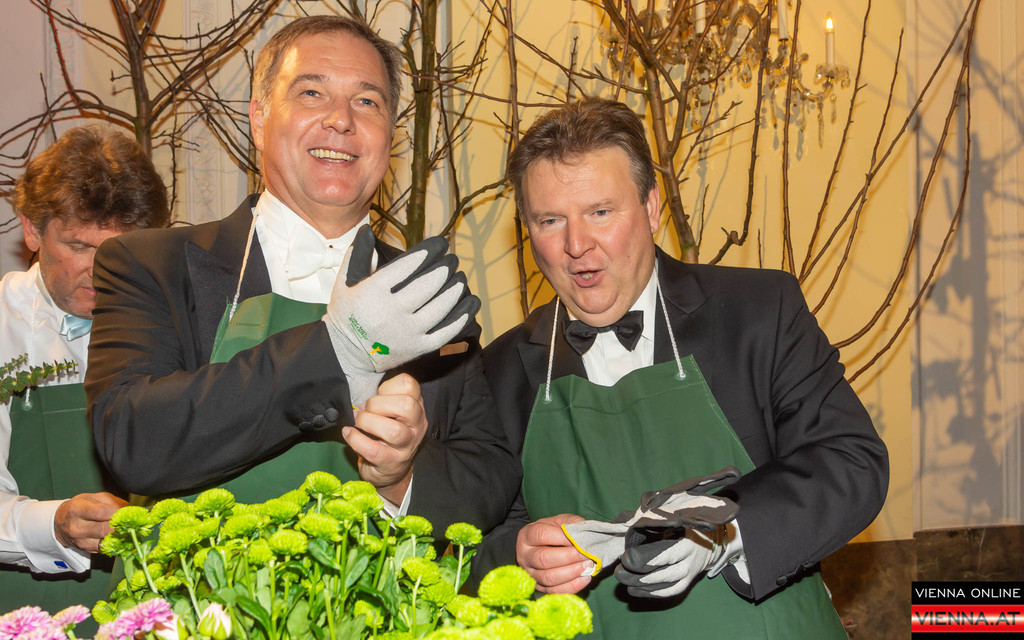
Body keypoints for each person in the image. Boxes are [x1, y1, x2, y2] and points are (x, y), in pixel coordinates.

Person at [84, 16, 519, 541]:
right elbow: (133, 442)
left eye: (367, 101)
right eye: (312, 92)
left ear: (390, 136)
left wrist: (400, 478)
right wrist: (340, 349)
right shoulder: (151, 263)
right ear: (260, 119)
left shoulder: (428, 295)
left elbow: (489, 480)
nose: (341, 120)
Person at [476, 98, 889, 638]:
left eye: (600, 212)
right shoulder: (500, 370)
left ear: (651, 208)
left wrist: (726, 531)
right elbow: (471, 542)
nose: (576, 245)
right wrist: (518, 552)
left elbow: (850, 461)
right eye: (550, 221)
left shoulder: (759, 311)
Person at [1, 125, 169, 614]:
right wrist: (54, 524)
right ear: (32, 230)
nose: (102, 270)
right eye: (79, 246)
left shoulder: (176, 321)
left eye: (123, 249)